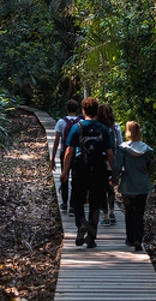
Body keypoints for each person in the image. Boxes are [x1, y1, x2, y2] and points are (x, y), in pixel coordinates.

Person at [61, 97, 114, 249]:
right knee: (94, 204)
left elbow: (69, 151)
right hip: (98, 170)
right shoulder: (102, 129)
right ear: (96, 111)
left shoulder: (77, 127)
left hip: (80, 169)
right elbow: (110, 154)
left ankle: (81, 224)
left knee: (77, 200)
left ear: (83, 111)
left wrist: (65, 171)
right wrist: (115, 173)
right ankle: (91, 239)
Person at [111, 120, 156, 252]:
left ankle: (130, 238)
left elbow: (117, 166)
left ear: (127, 132)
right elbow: (152, 168)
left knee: (129, 212)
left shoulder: (123, 148)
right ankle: (138, 238)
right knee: (139, 213)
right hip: (142, 185)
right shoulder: (147, 149)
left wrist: (114, 178)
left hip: (128, 185)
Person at [51, 99, 82, 215]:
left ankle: (64, 203)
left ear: (67, 109)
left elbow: (56, 141)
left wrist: (53, 158)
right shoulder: (81, 122)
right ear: (77, 109)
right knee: (75, 179)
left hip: (64, 152)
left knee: (64, 176)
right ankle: (73, 206)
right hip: (78, 154)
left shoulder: (61, 122)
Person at [96, 104, 123, 226]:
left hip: (100, 161)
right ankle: (112, 212)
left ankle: (105, 216)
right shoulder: (116, 127)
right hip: (113, 160)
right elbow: (120, 145)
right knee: (111, 187)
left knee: (101, 189)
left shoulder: (97, 127)